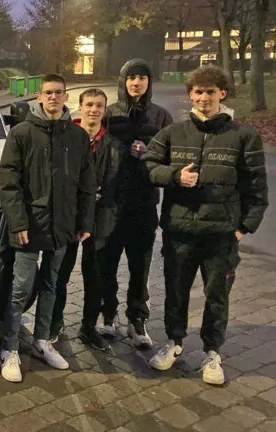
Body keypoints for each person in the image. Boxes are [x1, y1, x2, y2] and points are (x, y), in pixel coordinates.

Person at [143, 66, 268, 385]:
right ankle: (174, 343)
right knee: (175, 291)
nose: (203, 98)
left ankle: (212, 353)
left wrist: (243, 228)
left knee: (217, 296)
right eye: (198, 92)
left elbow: (257, 189)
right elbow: (149, 165)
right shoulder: (173, 133)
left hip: (221, 237)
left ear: (222, 94)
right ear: (190, 95)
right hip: (179, 232)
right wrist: (174, 176)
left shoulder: (243, 137)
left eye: (210, 92)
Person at [0, 73, 96, 382]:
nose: (53, 97)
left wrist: (84, 222)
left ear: (66, 97)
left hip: (64, 226)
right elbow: (9, 182)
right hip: (29, 226)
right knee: (20, 288)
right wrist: (18, 222)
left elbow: (86, 185)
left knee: (53, 285)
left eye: (59, 92)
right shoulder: (22, 133)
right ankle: (10, 347)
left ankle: (42, 341)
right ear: (39, 97)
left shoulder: (77, 137)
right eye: (48, 93)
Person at [102, 58, 173, 350]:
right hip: (112, 202)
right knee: (106, 262)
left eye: (142, 77)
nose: (136, 82)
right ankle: (108, 313)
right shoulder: (110, 113)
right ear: (123, 81)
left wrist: (148, 153)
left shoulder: (161, 117)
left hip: (144, 203)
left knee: (139, 265)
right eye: (131, 77)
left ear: (148, 82)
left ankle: (137, 317)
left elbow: (171, 158)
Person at [49, 88, 126, 351]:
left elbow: (116, 183)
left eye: (99, 106)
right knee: (60, 272)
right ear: (80, 107)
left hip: (100, 218)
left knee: (95, 276)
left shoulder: (114, 146)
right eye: (89, 104)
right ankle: (55, 322)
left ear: (105, 111)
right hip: (69, 217)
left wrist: (101, 194)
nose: (94, 110)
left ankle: (88, 326)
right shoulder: (65, 138)